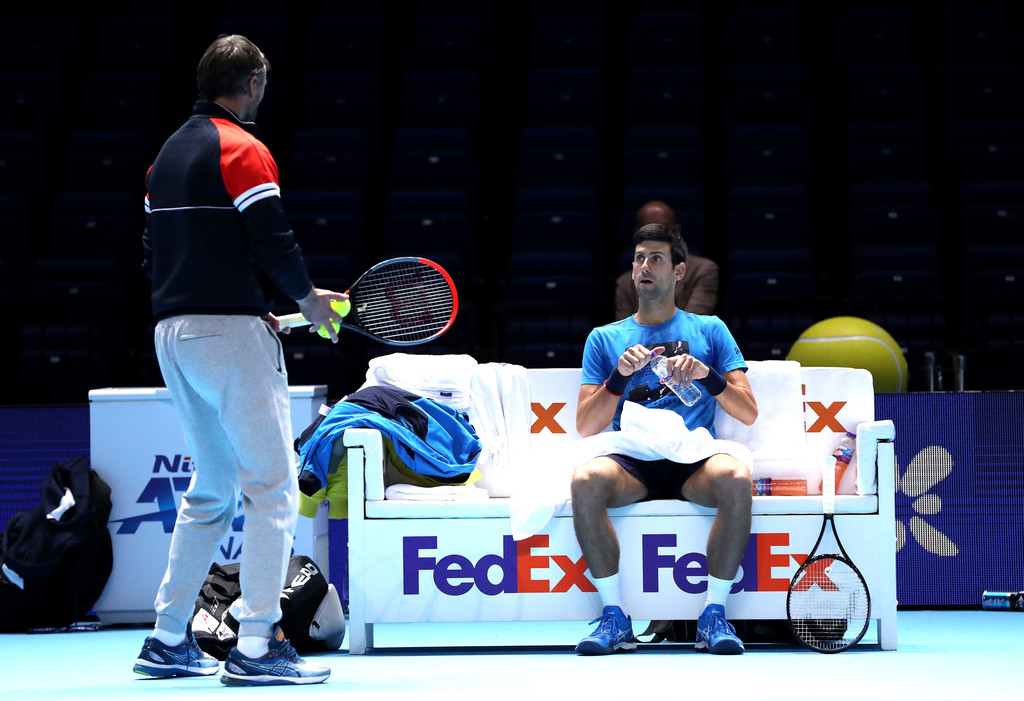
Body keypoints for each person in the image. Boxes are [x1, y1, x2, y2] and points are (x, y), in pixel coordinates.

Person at [133, 34, 345, 686]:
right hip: (228, 338)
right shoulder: (244, 149)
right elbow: (272, 240)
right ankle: (257, 644)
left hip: (174, 332)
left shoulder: (165, 157)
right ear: (251, 84)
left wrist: (220, 304)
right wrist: (309, 302)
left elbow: (154, 252)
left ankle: (168, 637)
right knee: (272, 490)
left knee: (213, 488)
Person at [572, 222, 758, 655]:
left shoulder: (710, 329)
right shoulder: (604, 338)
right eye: (638, 258)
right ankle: (614, 617)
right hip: (632, 462)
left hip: (692, 458)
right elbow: (586, 425)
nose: (644, 267)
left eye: (656, 258)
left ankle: (713, 615)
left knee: (735, 477)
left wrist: (706, 376)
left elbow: (747, 411)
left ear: (679, 271)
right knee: (584, 481)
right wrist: (618, 378)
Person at [614, 200, 719, 319]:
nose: (656, 235)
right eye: (647, 229)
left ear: (677, 231)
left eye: (664, 229)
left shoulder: (703, 270)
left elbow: (693, 324)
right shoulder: (625, 283)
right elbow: (624, 333)